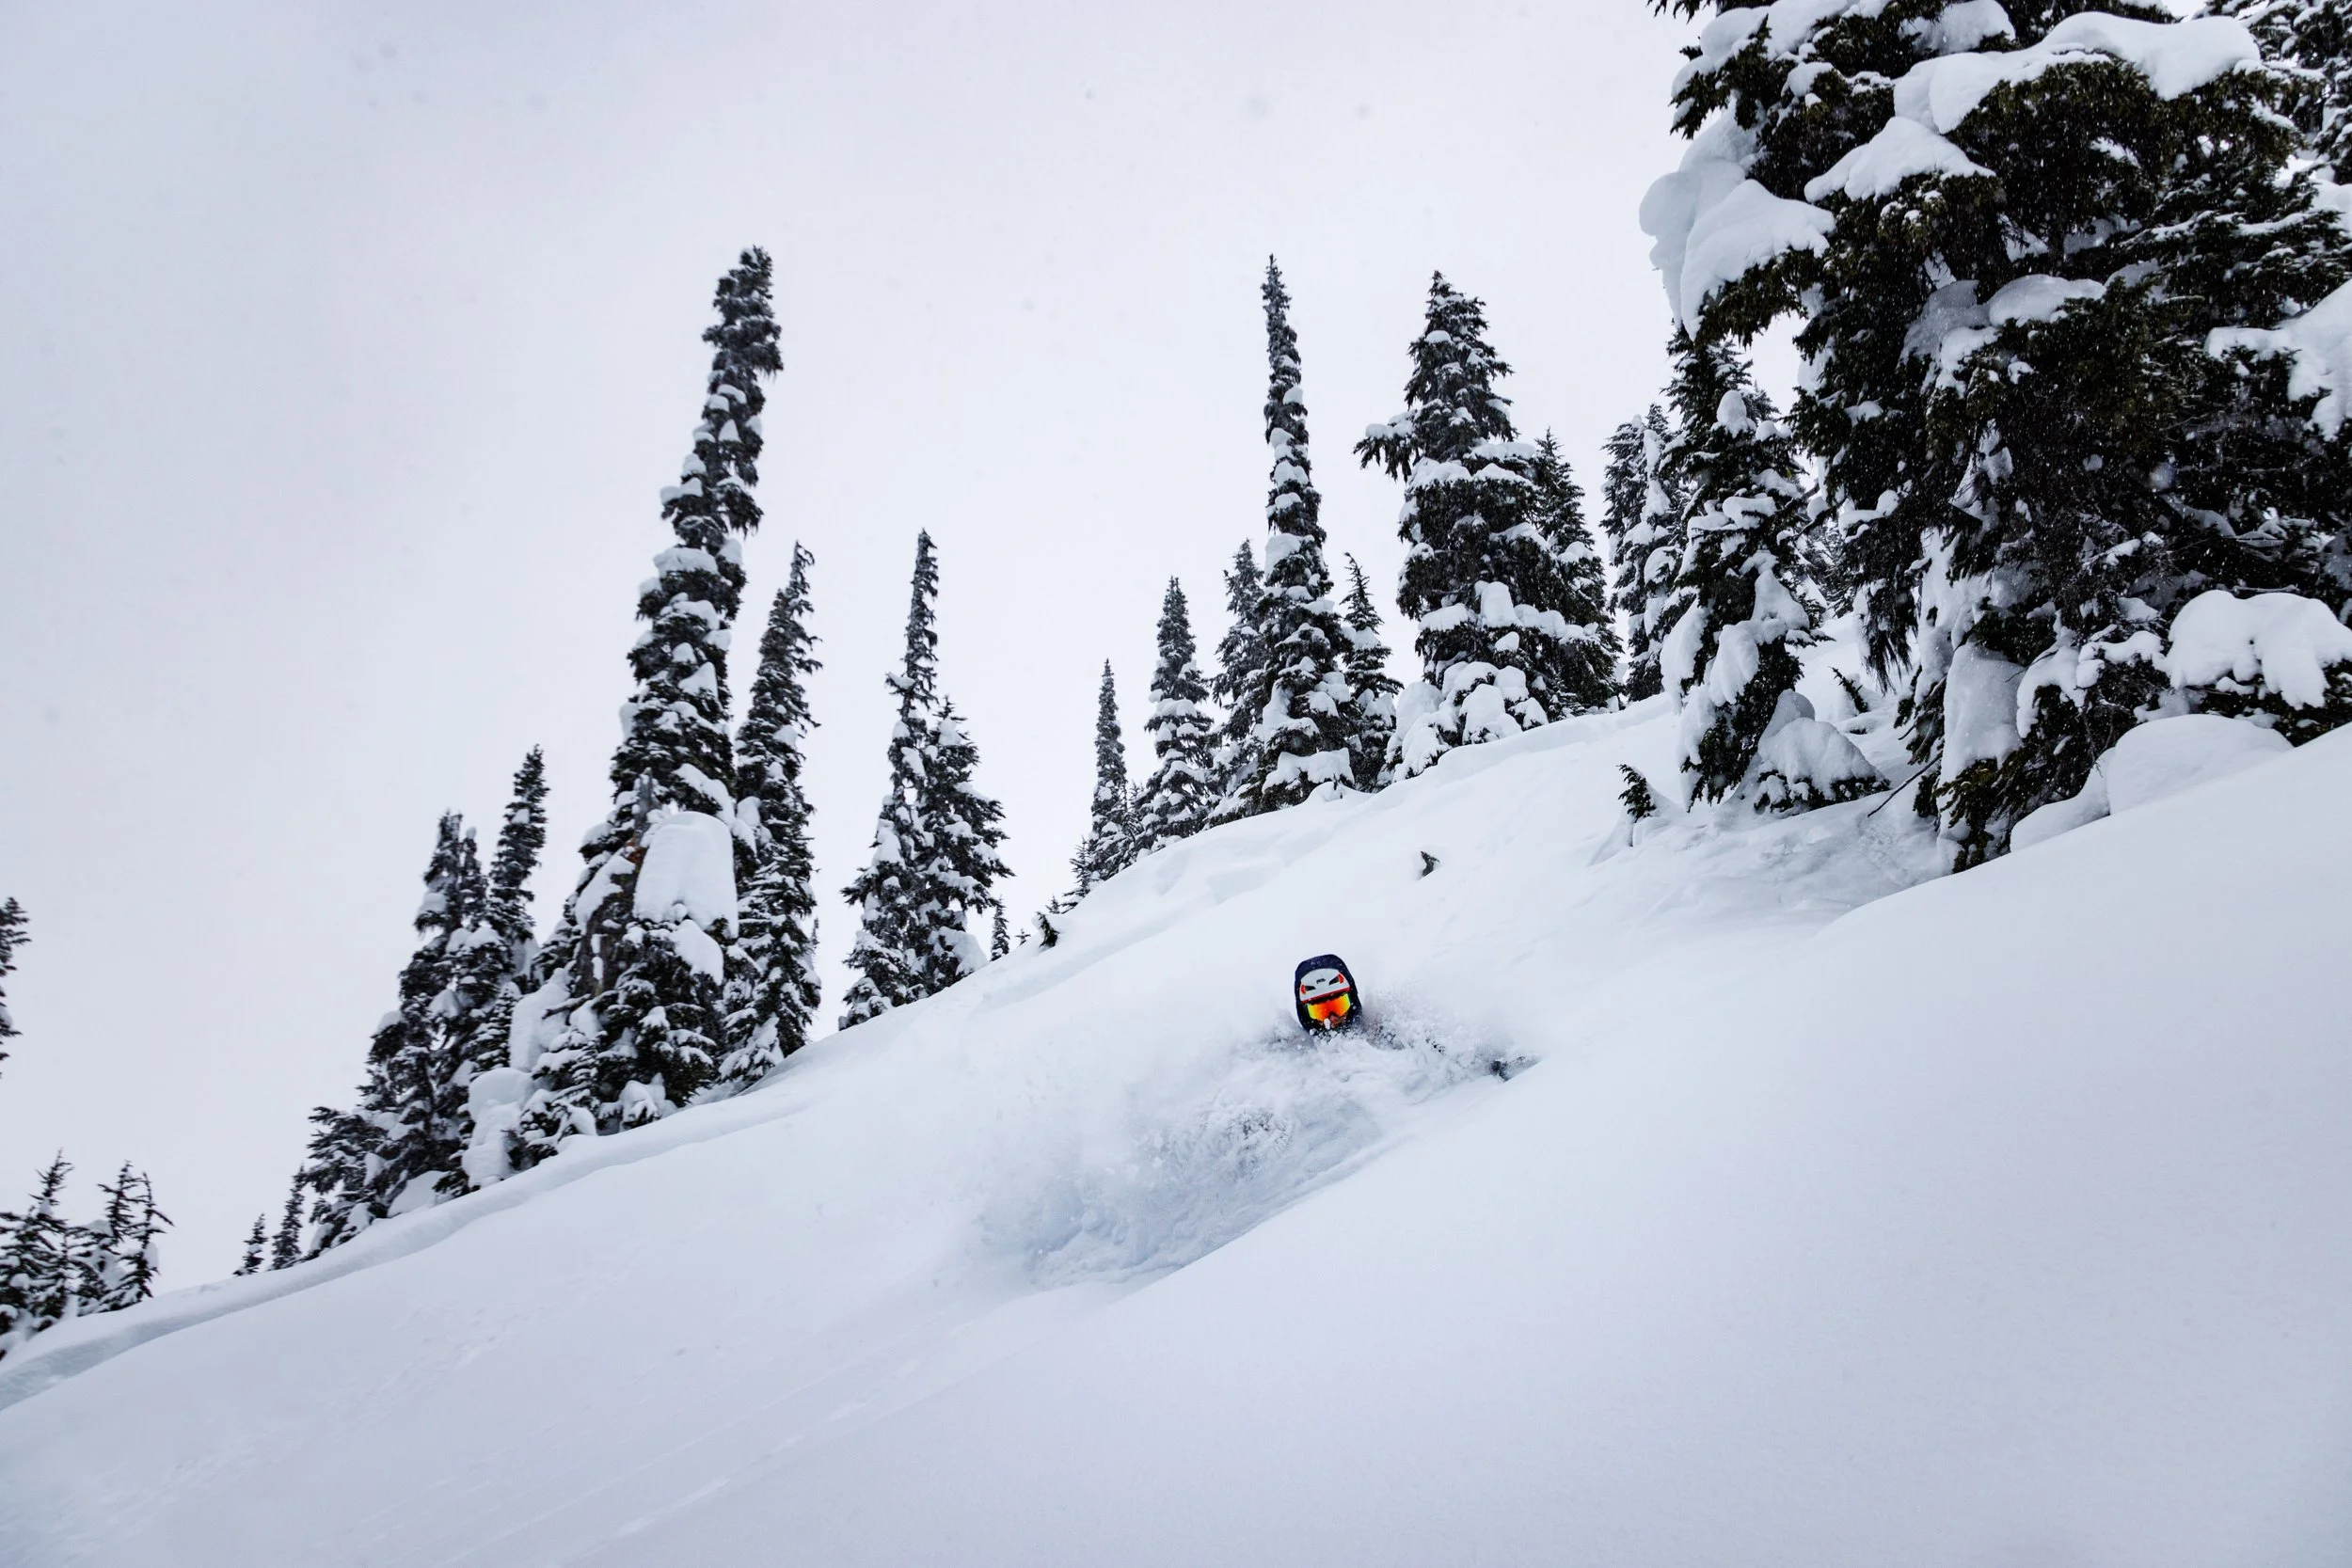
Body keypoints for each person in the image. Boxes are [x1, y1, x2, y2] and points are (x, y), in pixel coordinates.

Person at [1294, 955, 1359, 1032]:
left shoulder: (1374, 1030)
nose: (1332, 1019)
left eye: (1340, 1006)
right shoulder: (1292, 1042)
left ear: (1352, 1001)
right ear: (1306, 1016)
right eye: (1320, 1012)